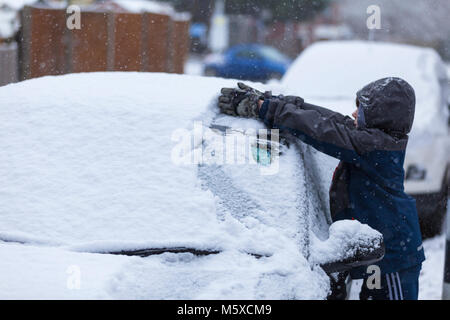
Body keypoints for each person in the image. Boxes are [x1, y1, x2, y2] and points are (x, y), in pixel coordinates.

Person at [217, 78, 425, 300]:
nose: (354, 114)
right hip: (380, 252)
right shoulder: (375, 139)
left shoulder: (375, 147)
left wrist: (265, 108)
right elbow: (329, 120)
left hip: (394, 258)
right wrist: (275, 102)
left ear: (380, 117)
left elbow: (323, 131)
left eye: (361, 110)